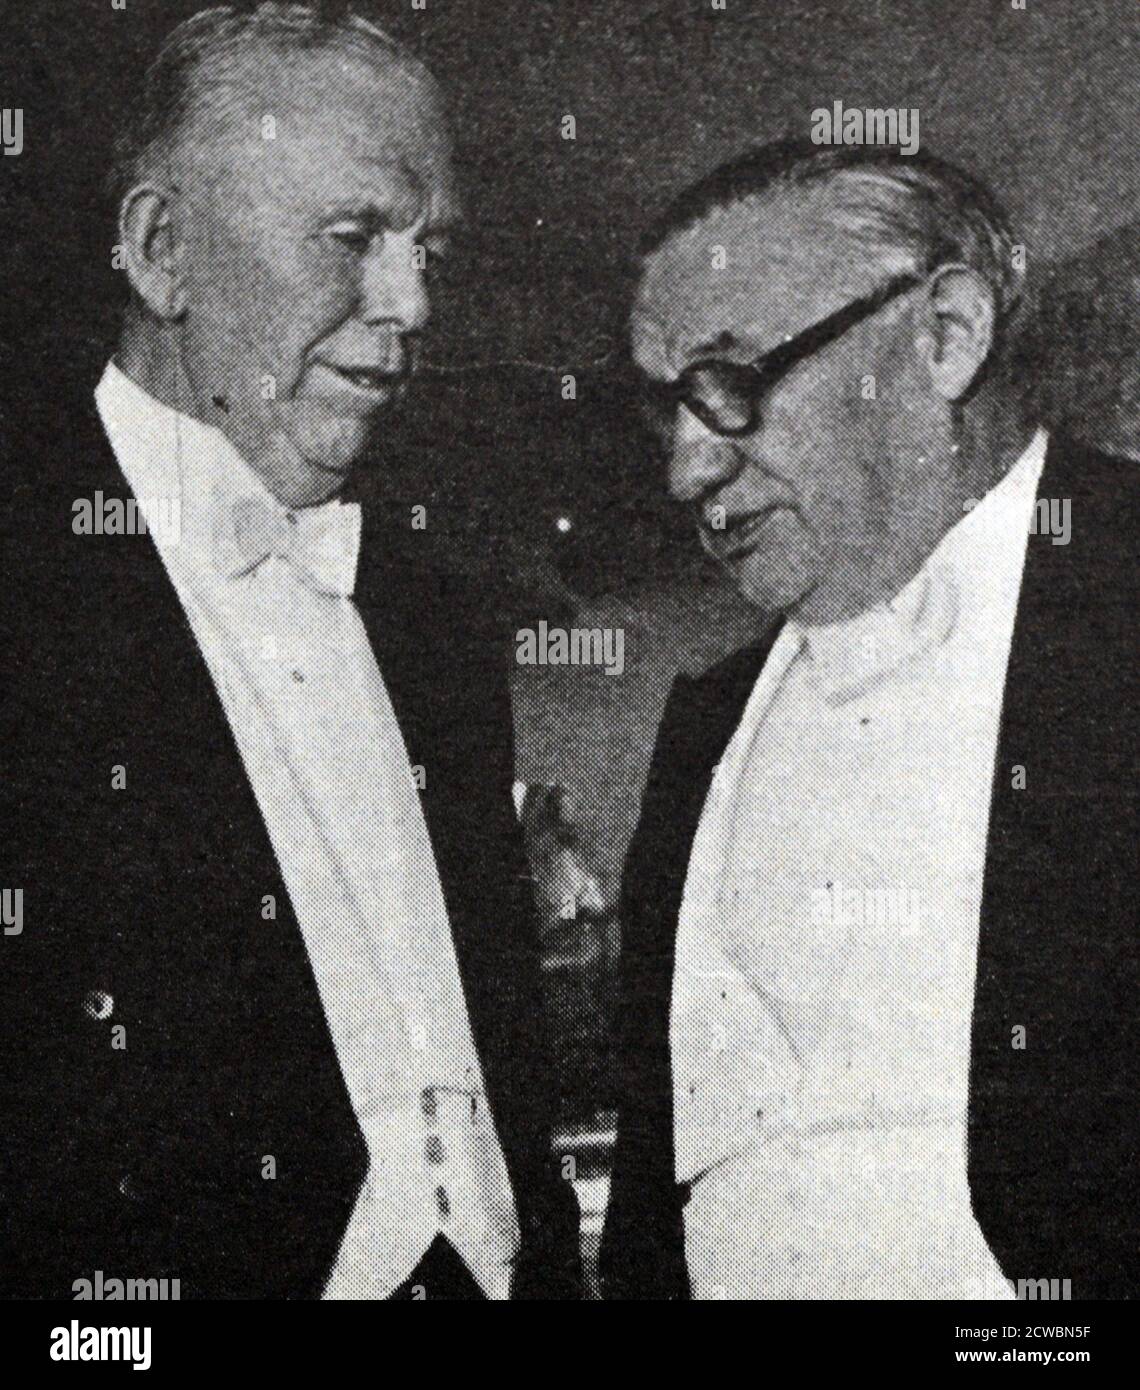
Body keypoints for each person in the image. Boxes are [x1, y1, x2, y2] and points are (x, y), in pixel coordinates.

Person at [0, 2, 579, 1301]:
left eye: (430, 248)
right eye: (353, 235)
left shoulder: (433, 619)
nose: (414, 301)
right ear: (162, 250)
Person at [600, 140, 1137, 1300]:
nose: (689, 466)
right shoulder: (701, 729)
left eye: (732, 383)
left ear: (945, 333)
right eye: (669, 411)